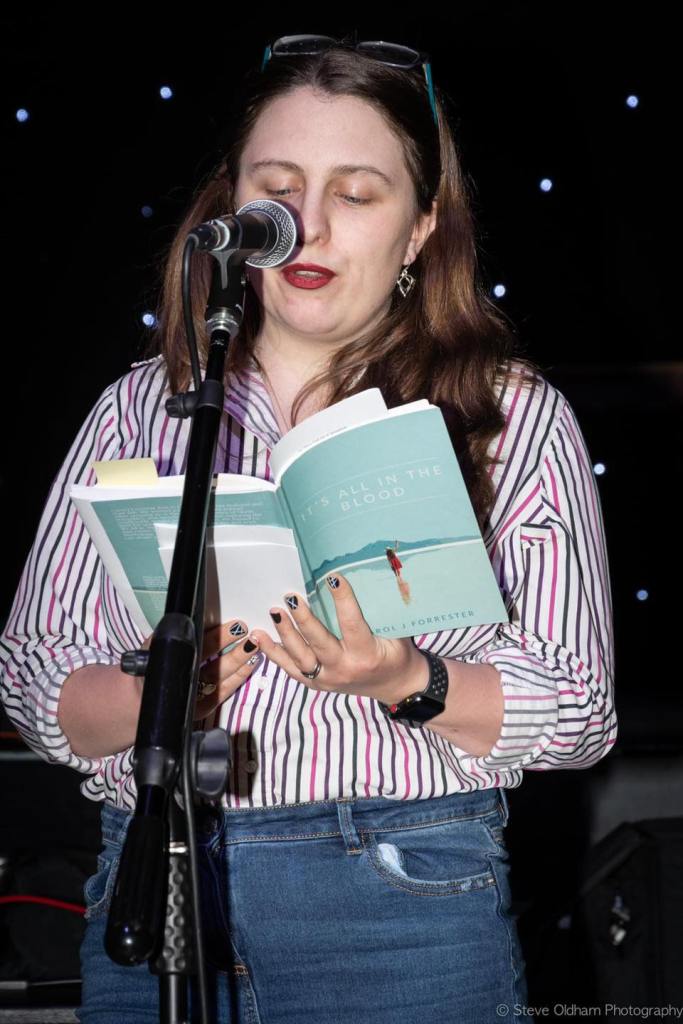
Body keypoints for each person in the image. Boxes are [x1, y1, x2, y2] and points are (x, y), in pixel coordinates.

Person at [0, 33, 617, 1023]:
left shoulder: (508, 415)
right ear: (232, 213)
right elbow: (34, 676)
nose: (308, 225)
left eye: (356, 194)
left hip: (399, 894)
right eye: (277, 189)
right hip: (159, 880)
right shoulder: (139, 409)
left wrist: (403, 677)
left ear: (418, 229)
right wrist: (157, 697)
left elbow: (580, 709)